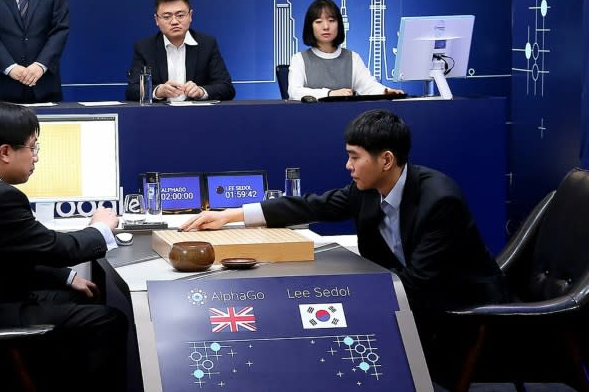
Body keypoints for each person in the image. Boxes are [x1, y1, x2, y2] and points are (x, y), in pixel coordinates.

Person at [179, 109, 506, 348]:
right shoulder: (366, 189)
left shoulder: (439, 201)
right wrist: (230, 215)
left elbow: (420, 284)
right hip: (413, 298)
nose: (347, 166)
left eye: (354, 157)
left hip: (461, 307)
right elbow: (311, 205)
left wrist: (345, 293)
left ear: (387, 160)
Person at [0, 101, 127, 391]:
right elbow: (58, 249)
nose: (36, 158)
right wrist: (101, 228)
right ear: (5, 152)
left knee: (81, 296)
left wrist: (68, 277)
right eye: (33, 148)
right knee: (108, 320)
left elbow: (10, 255)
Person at [125, 0, 236, 102]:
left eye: (180, 15)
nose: (174, 21)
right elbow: (132, 90)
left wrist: (201, 91)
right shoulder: (144, 48)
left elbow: (226, 88)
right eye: (167, 17)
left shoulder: (207, 44)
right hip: (158, 115)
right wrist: (158, 91)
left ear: (190, 15)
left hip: (198, 115)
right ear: (156, 20)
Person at [288, 0, 403, 100]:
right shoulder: (299, 59)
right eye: (318, 22)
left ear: (339, 24)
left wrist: (385, 92)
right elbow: (294, 92)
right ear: (310, 27)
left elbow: (368, 86)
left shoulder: (353, 58)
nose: (326, 27)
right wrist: (329, 94)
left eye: (331, 21)